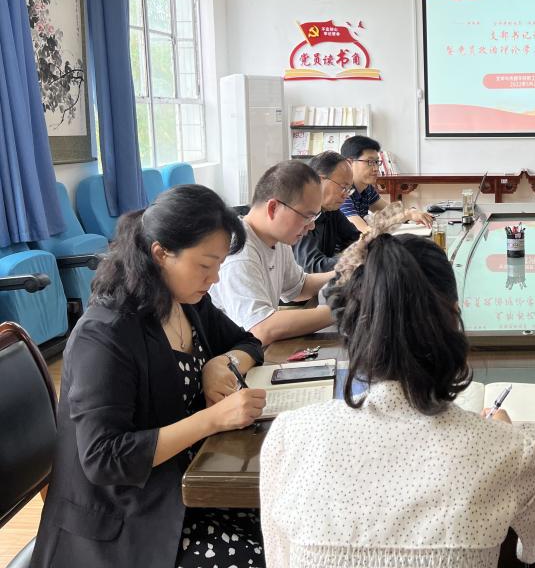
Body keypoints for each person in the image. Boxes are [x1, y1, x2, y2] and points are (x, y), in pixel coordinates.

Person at [260, 223, 535, 567]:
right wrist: (523, 442)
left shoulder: (290, 434)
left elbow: (279, 557)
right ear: (453, 317)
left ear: (353, 324)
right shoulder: (504, 450)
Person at [31, 185, 268, 568]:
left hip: (184, 484)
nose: (215, 278)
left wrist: (222, 363)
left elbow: (248, 342)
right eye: (205, 265)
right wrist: (212, 419)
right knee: (262, 553)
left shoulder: (187, 302)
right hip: (125, 522)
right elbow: (104, 458)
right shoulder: (105, 334)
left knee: (290, 521)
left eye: (220, 265)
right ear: (160, 253)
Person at [209, 160, 336, 346]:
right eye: (307, 216)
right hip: (234, 356)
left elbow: (299, 288)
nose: (311, 226)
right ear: (273, 208)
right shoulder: (239, 252)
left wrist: (346, 275)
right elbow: (260, 329)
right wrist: (341, 310)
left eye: (315, 216)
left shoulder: (277, 239)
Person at [341, 135, 433, 233]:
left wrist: (412, 212)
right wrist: (407, 215)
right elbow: (365, 232)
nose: (376, 168)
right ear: (349, 163)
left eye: (377, 162)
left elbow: (390, 213)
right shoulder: (341, 192)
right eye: (370, 162)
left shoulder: (367, 189)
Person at [292, 150, 361, 272]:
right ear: (318, 181)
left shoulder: (331, 210)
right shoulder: (297, 213)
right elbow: (313, 267)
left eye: (349, 190)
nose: (346, 195)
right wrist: (358, 257)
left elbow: (357, 238)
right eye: (343, 187)